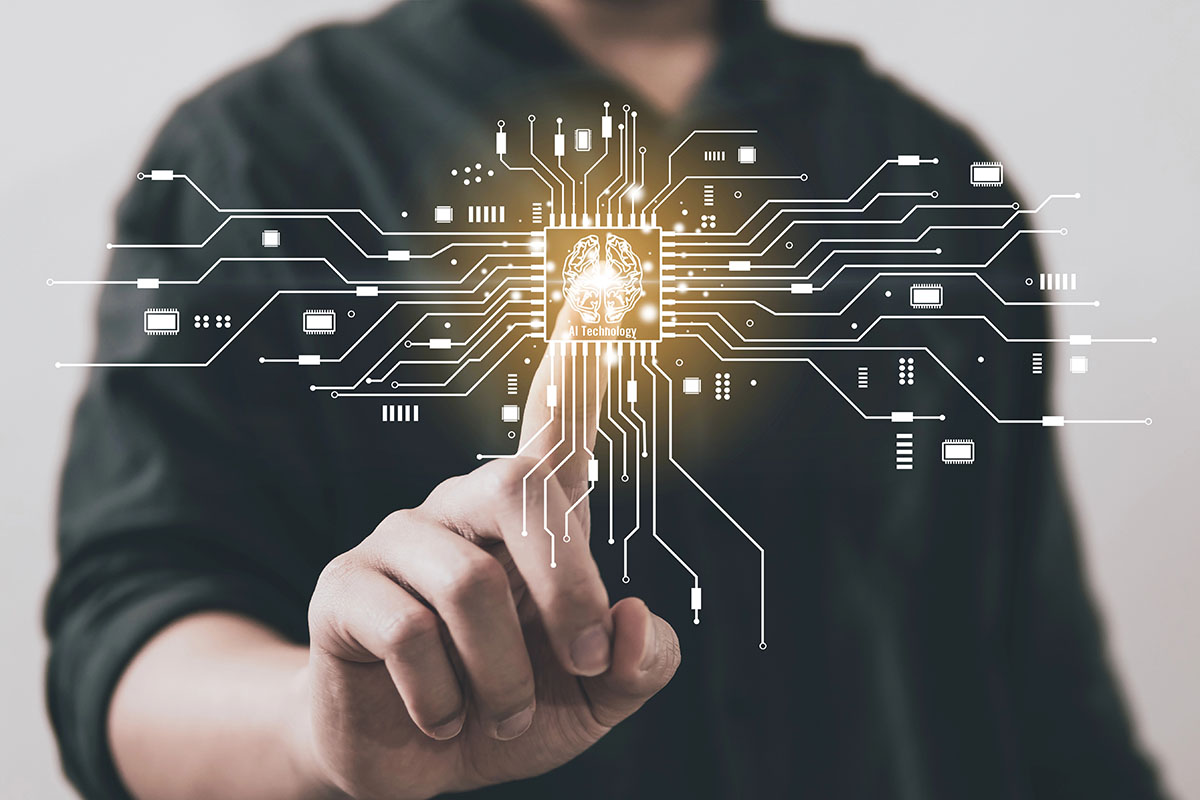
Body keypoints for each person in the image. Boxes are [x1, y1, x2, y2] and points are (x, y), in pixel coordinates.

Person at [46, 0, 1167, 798]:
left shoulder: (925, 175)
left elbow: (1036, 678)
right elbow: (131, 633)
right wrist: (318, 727)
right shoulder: (260, 159)